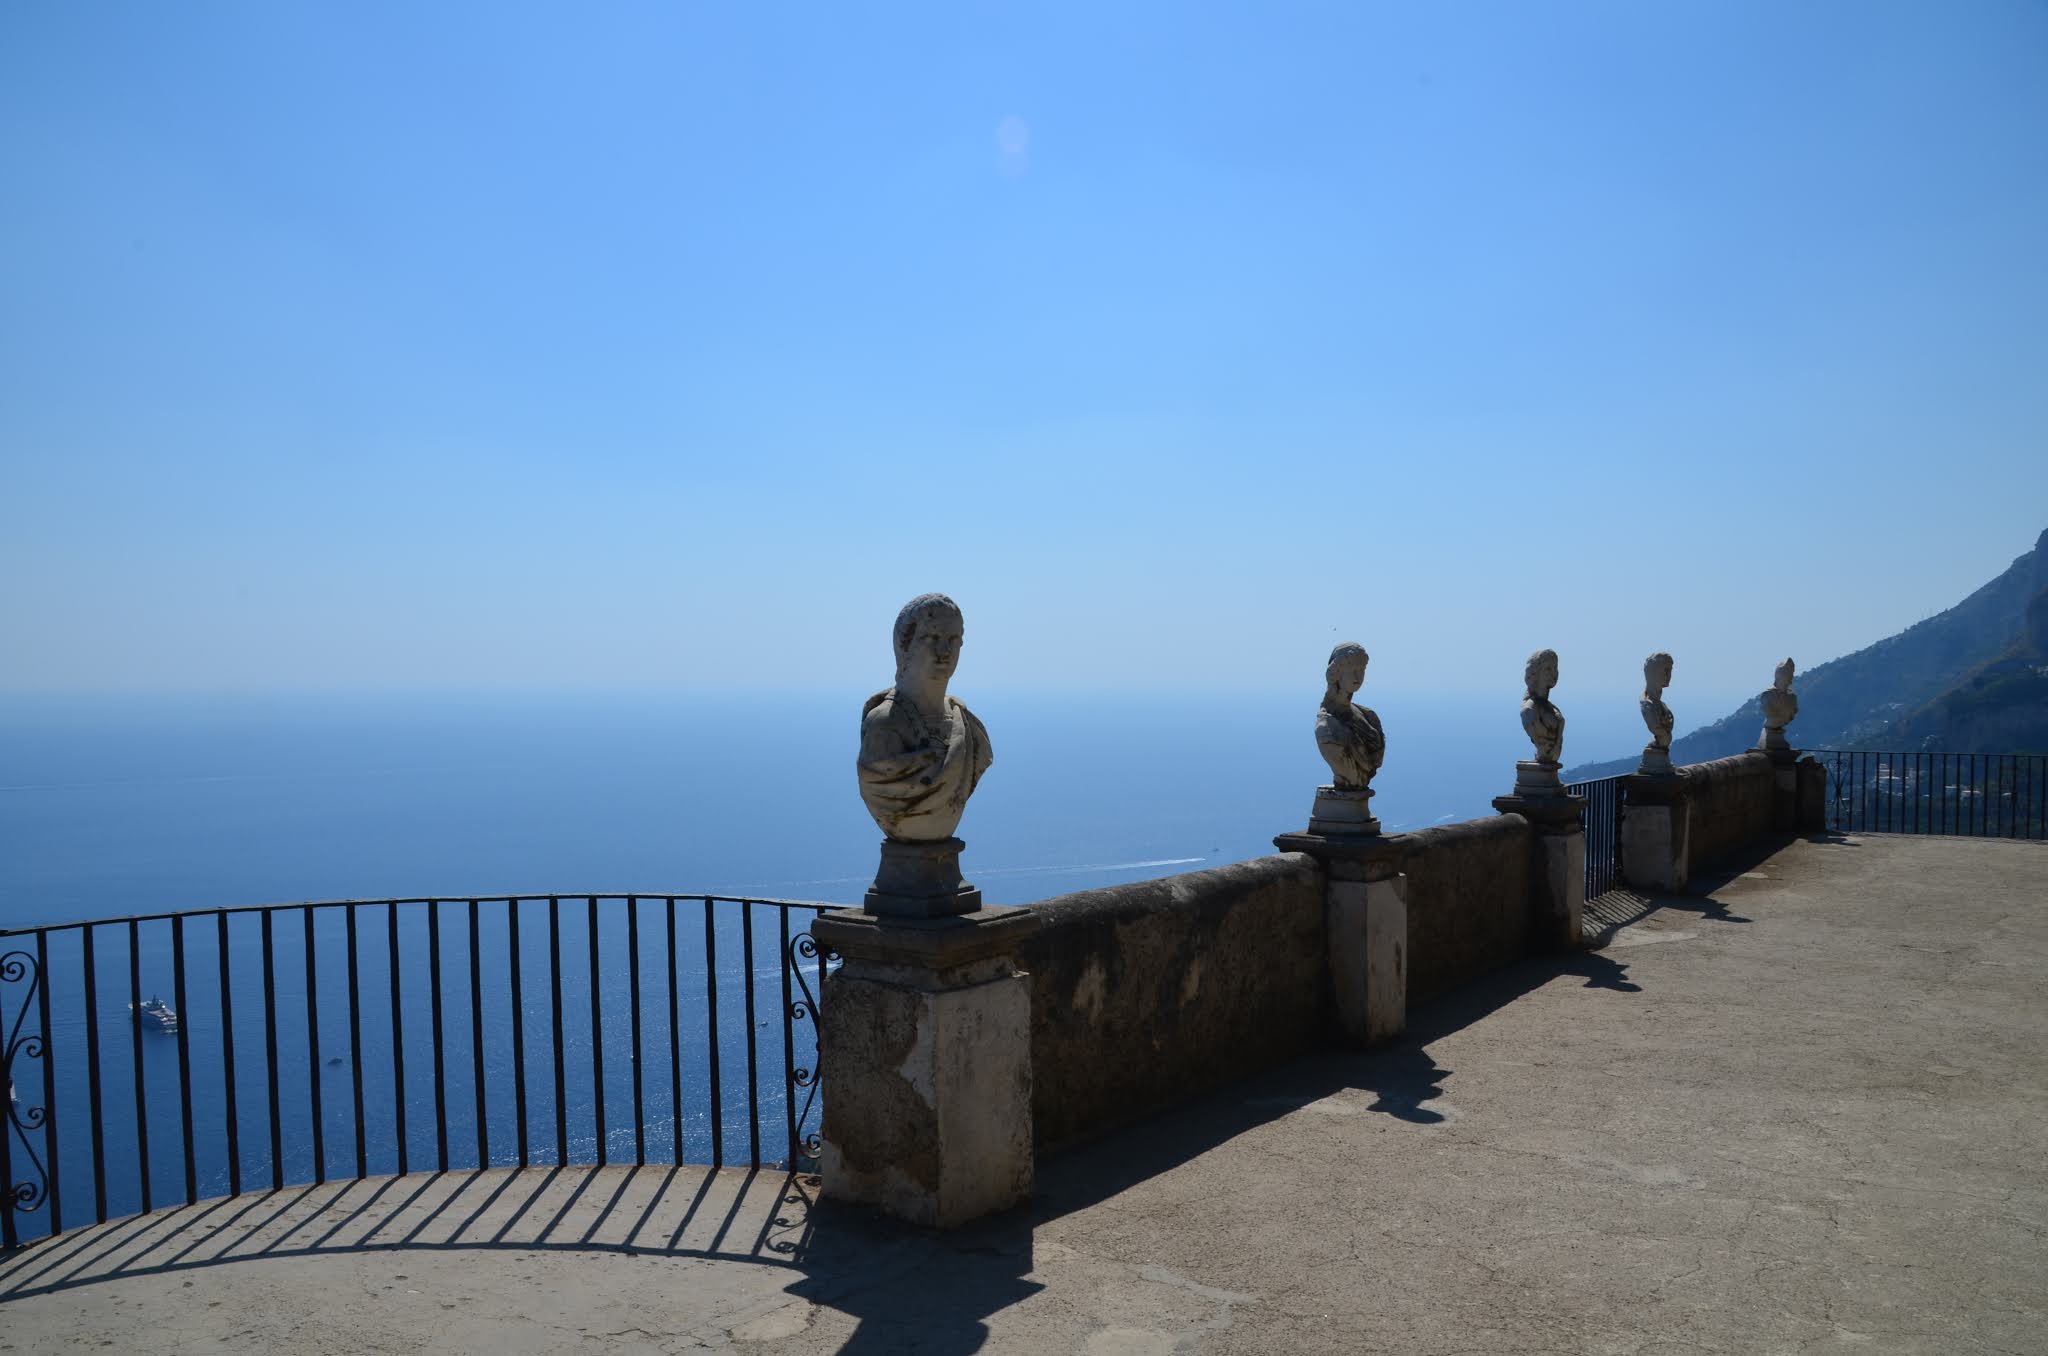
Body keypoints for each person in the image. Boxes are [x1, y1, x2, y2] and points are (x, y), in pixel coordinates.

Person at [856, 593, 992, 841]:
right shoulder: (884, 725)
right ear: (904, 646)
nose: (944, 651)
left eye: (953, 640)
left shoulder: (966, 724)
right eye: (932, 638)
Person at [1316, 642, 1384, 790]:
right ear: (1337, 672)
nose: (1358, 676)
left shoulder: (1369, 716)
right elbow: (1351, 773)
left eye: (1362, 669)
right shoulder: (1326, 727)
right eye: (1352, 669)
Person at [1521, 648, 1565, 765]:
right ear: (1535, 673)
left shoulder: (1553, 709)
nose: (1554, 673)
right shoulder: (1529, 710)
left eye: (1555, 668)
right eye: (1548, 669)